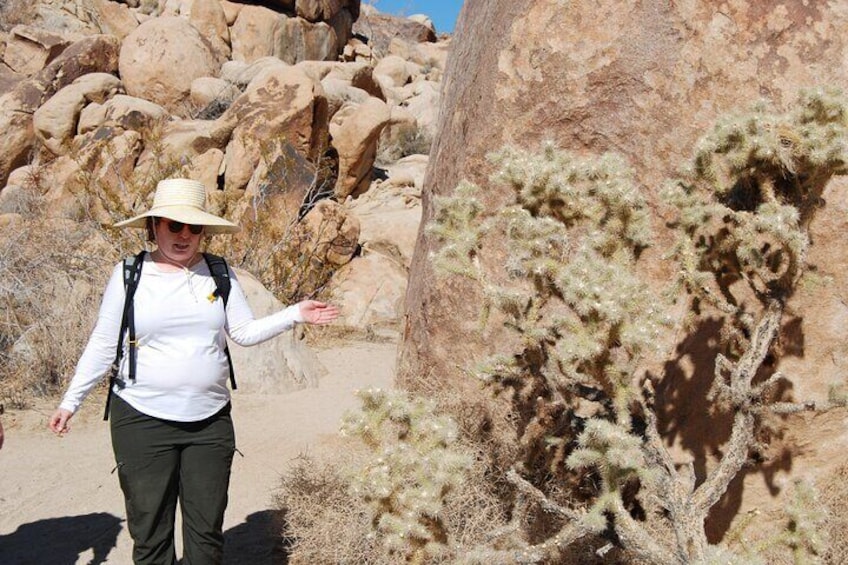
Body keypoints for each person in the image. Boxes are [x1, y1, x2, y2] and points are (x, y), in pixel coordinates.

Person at [48, 178, 339, 565]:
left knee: (206, 539)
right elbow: (104, 345)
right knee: (150, 534)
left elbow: (244, 332)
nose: (184, 235)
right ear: (154, 226)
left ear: (203, 231)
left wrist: (294, 314)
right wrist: (71, 402)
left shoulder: (219, 273)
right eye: (173, 225)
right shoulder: (128, 275)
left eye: (193, 227)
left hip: (210, 422)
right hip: (140, 419)